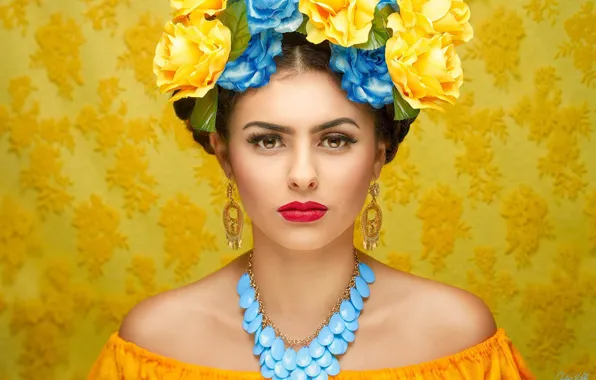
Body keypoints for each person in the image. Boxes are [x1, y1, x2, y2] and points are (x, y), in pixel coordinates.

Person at [88, 0, 535, 379]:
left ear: (379, 153)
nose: (303, 175)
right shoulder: (153, 344)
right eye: (268, 140)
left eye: (335, 140)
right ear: (224, 154)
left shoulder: (456, 338)